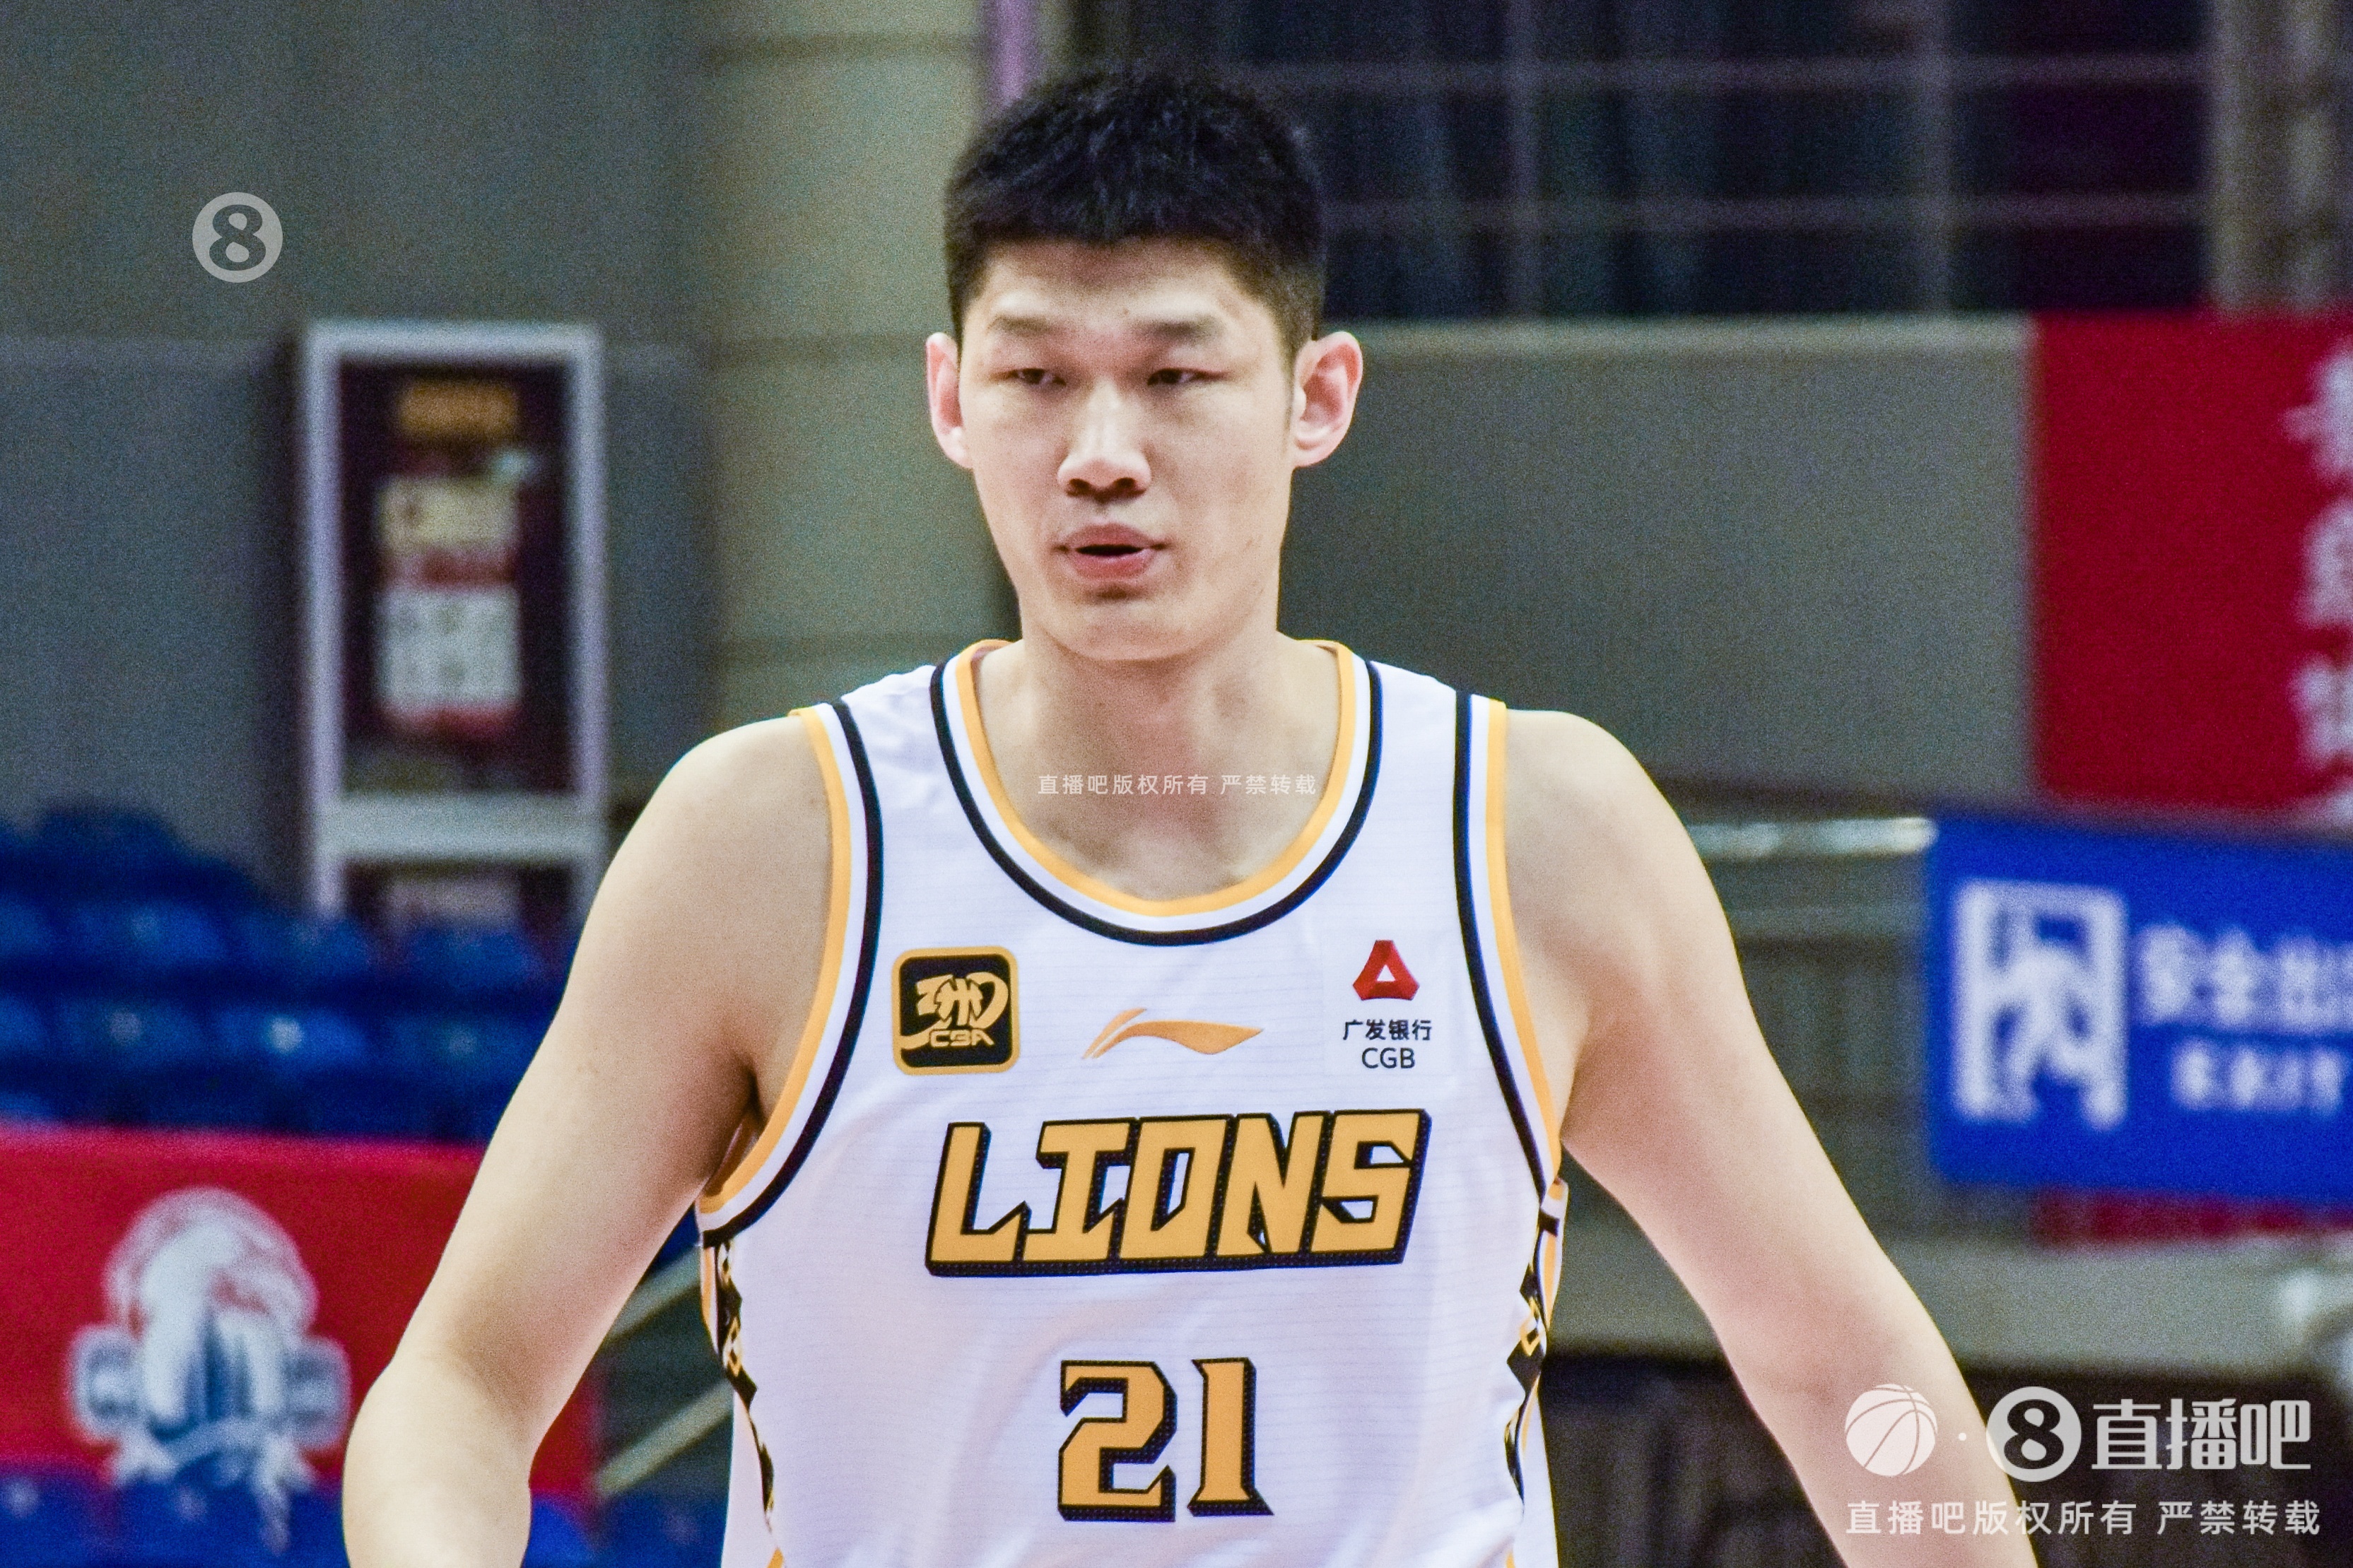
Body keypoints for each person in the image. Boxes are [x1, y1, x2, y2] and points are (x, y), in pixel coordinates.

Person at [345, 67, 2031, 1568]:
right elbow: (462, 1389)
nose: (1101, 453)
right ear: (949, 398)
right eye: (1035, 377)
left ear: (1317, 396)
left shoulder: (1537, 833)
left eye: (1172, 376)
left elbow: (1844, 1366)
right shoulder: (767, 845)